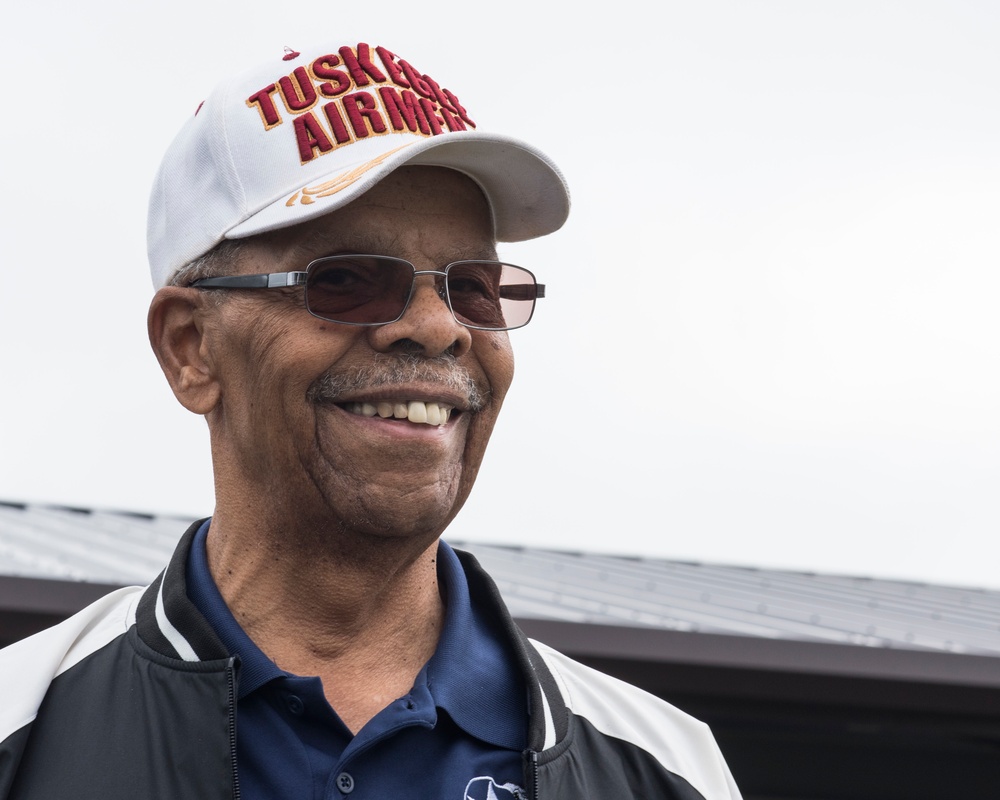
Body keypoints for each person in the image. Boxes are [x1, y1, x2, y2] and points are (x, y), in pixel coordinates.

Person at [0, 40, 742, 800]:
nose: (437, 326)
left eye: (475, 288)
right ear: (191, 348)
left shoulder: (667, 771)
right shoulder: (20, 726)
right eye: (348, 280)